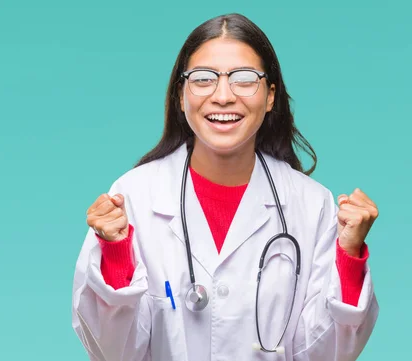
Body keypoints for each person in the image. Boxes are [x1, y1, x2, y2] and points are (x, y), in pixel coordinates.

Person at [71, 13, 379, 361]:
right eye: (203, 79)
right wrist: (116, 254)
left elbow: (326, 355)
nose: (223, 96)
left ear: (270, 96)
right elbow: (114, 352)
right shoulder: (135, 196)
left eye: (244, 79)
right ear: (180, 94)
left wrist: (349, 254)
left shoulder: (312, 204)